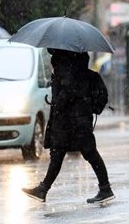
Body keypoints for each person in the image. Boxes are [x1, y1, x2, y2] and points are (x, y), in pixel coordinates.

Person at [22, 49, 114, 204]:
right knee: (62, 155)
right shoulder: (79, 69)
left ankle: (105, 189)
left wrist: (59, 102)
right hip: (76, 120)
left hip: (70, 121)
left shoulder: (66, 68)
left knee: (85, 154)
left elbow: (68, 91)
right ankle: (43, 189)